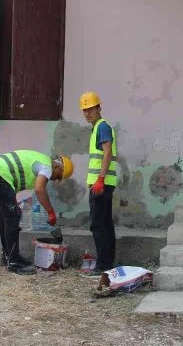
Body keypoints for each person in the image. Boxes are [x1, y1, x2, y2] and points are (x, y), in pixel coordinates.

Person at [0, 150, 73, 274]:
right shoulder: (47, 167)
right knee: (12, 217)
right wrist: (51, 212)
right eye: (58, 176)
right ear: (58, 167)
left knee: (6, 216)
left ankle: (8, 256)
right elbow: (39, 189)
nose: (55, 179)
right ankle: (13, 261)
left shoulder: (41, 160)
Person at [80, 91, 118, 276]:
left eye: (90, 109)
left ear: (99, 108)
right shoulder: (98, 128)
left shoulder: (102, 127)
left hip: (101, 184)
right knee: (105, 223)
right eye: (84, 110)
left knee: (97, 224)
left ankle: (103, 265)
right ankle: (107, 262)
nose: (87, 113)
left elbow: (108, 153)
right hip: (103, 183)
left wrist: (100, 179)